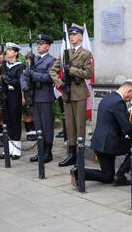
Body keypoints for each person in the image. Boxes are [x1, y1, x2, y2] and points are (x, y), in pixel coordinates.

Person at [70, 81, 132, 186]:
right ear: (129, 90)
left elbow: (112, 122)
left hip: (98, 143)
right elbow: (127, 127)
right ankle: (120, 175)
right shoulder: (118, 102)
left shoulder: (107, 98)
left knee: (108, 176)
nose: (130, 99)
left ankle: (79, 172)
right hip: (109, 143)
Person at [49, 23, 93, 167]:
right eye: (70, 35)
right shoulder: (64, 53)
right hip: (67, 93)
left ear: (80, 37)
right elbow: (52, 71)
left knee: (80, 125)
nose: (72, 37)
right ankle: (71, 154)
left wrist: (72, 70)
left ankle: (79, 155)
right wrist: (60, 84)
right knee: (70, 125)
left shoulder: (86, 54)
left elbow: (88, 73)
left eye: (74, 35)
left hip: (79, 93)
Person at [23, 34, 56, 163]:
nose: (39, 46)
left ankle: (48, 152)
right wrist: (25, 86)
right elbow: (24, 76)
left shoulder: (51, 60)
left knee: (47, 125)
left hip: (45, 96)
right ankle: (40, 151)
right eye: (38, 44)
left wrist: (33, 74)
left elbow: (49, 77)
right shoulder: (33, 60)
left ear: (48, 46)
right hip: (34, 96)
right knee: (38, 125)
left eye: (41, 44)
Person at [0, 43, 26, 160]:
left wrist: (8, 80)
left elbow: (20, 82)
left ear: (16, 53)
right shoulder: (4, 65)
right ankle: (8, 149)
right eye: (7, 50)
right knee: (7, 122)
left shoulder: (21, 66)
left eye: (10, 50)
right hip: (6, 96)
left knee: (14, 121)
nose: (8, 52)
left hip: (15, 95)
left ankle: (16, 150)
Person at [21, 53, 36, 141]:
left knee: (33, 114)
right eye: (27, 59)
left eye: (30, 59)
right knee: (28, 115)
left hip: (33, 94)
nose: (28, 61)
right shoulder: (24, 70)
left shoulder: (34, 68)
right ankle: (29, 133)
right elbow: (22, 85)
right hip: (26, 94)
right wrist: (22, 97)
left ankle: (33, 132)